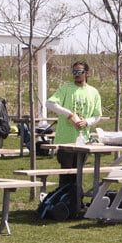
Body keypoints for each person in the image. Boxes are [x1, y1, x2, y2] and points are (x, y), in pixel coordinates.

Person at [46, 60, 103, 193]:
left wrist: (87, 122)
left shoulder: (93, 92)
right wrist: (68, 114)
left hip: (83, 141)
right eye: (74, 72)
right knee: (66, 175)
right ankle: (64, 204)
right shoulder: (66, 89)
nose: (76, 74)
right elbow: (49, 103)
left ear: (87, 73)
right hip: (64, 141)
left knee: (78, 175)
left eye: (79, 72)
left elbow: (97, 115)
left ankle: (76, 202)